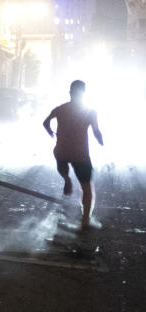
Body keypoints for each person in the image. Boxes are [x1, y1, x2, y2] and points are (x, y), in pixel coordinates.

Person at [42, 79, 104, 230]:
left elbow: (45, 122)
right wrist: (101, 141)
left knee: (61, 161)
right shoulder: (90, 112)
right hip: (80, 154)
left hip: (61, 151)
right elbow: (96, 131)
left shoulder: (61, 109)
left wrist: (51, 132)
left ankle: (66, 178)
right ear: (84, 94)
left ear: (70, 93)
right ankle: (85, 220)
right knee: (87, 188)